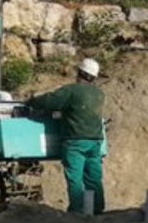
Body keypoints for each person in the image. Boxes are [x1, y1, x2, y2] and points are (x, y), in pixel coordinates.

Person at [27, 57, 107, 213]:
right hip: (96, 141)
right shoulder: (99, 93)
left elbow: (50, 101)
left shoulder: (72, 90)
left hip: (75, 141)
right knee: (93, 177)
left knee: (75, 178)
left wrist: (31, 102)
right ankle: (97, 209)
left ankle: (76, 211)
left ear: (79, 73)